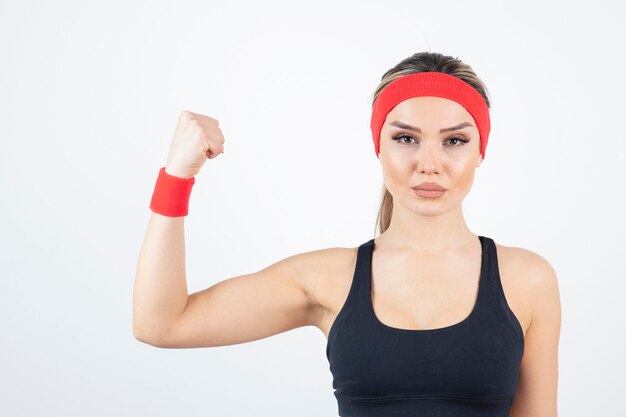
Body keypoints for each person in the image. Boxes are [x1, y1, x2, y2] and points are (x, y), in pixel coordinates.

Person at [133, 51, 561, 417]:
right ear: (379, 145)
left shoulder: (527, 279)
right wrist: (176, 177)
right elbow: (162, 324)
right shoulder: (326, 278)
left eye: (454, 141)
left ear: (480, 150)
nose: (429, 163)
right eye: (406, 138)